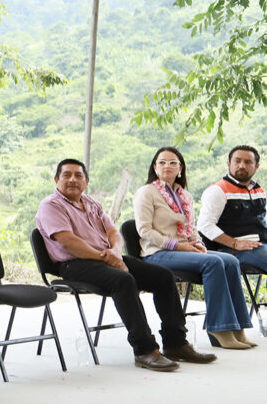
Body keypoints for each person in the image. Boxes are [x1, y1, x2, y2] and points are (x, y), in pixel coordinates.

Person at [35, 158, 215, 369]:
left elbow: (113, 233)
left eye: (78, 176)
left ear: (86, 181)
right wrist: (106, 257)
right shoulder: (51, 205)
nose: (72, 180)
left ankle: (176, 343)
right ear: (56, 179)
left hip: (106, 257)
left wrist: (115, 253)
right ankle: (145, 350)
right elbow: (68, 242)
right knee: (123, 280)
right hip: (75, 264)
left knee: (163, 276)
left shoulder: (91, 203)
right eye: (66, 175)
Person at [133, 146, 254, 349]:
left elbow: (191, 228)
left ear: (180, 168)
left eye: (173, 162)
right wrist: (179, 246)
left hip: (183, 250)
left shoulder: (184, 196)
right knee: (214, 262)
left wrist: (197, 244)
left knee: (231, 260)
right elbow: (145, 231)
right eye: (162, 162)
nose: (167, 166)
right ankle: (220, 328)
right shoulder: (147, 192)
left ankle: (238, 327)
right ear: (154, 167)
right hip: (157, 253)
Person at [197, 144, 267, 277]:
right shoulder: (217, 190)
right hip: (230, 250)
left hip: (261, 245)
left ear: (257, 166)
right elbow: (204, 225)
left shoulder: (259, 191)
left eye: (248, 162)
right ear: (229, 164)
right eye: (237, 161)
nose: (241, 165)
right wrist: (235, 243)